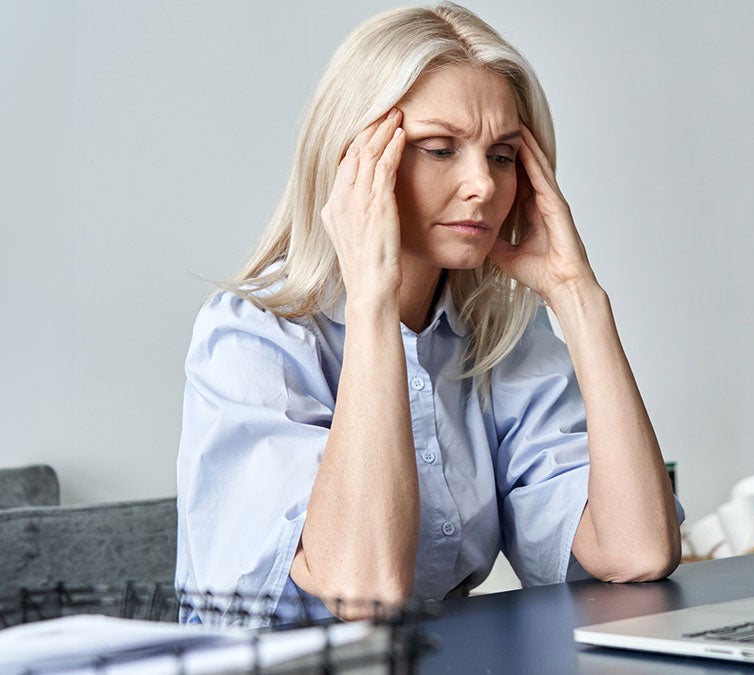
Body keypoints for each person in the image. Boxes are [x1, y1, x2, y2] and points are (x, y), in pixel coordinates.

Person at [175, 3, 682, 626]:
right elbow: (363, 589)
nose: (484, 186)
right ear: (353, 161)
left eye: (501, 156)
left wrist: (579, 298)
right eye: (440, 149)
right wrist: (372, 301)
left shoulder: (499, 336)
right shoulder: (249, 336)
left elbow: (637, 552)